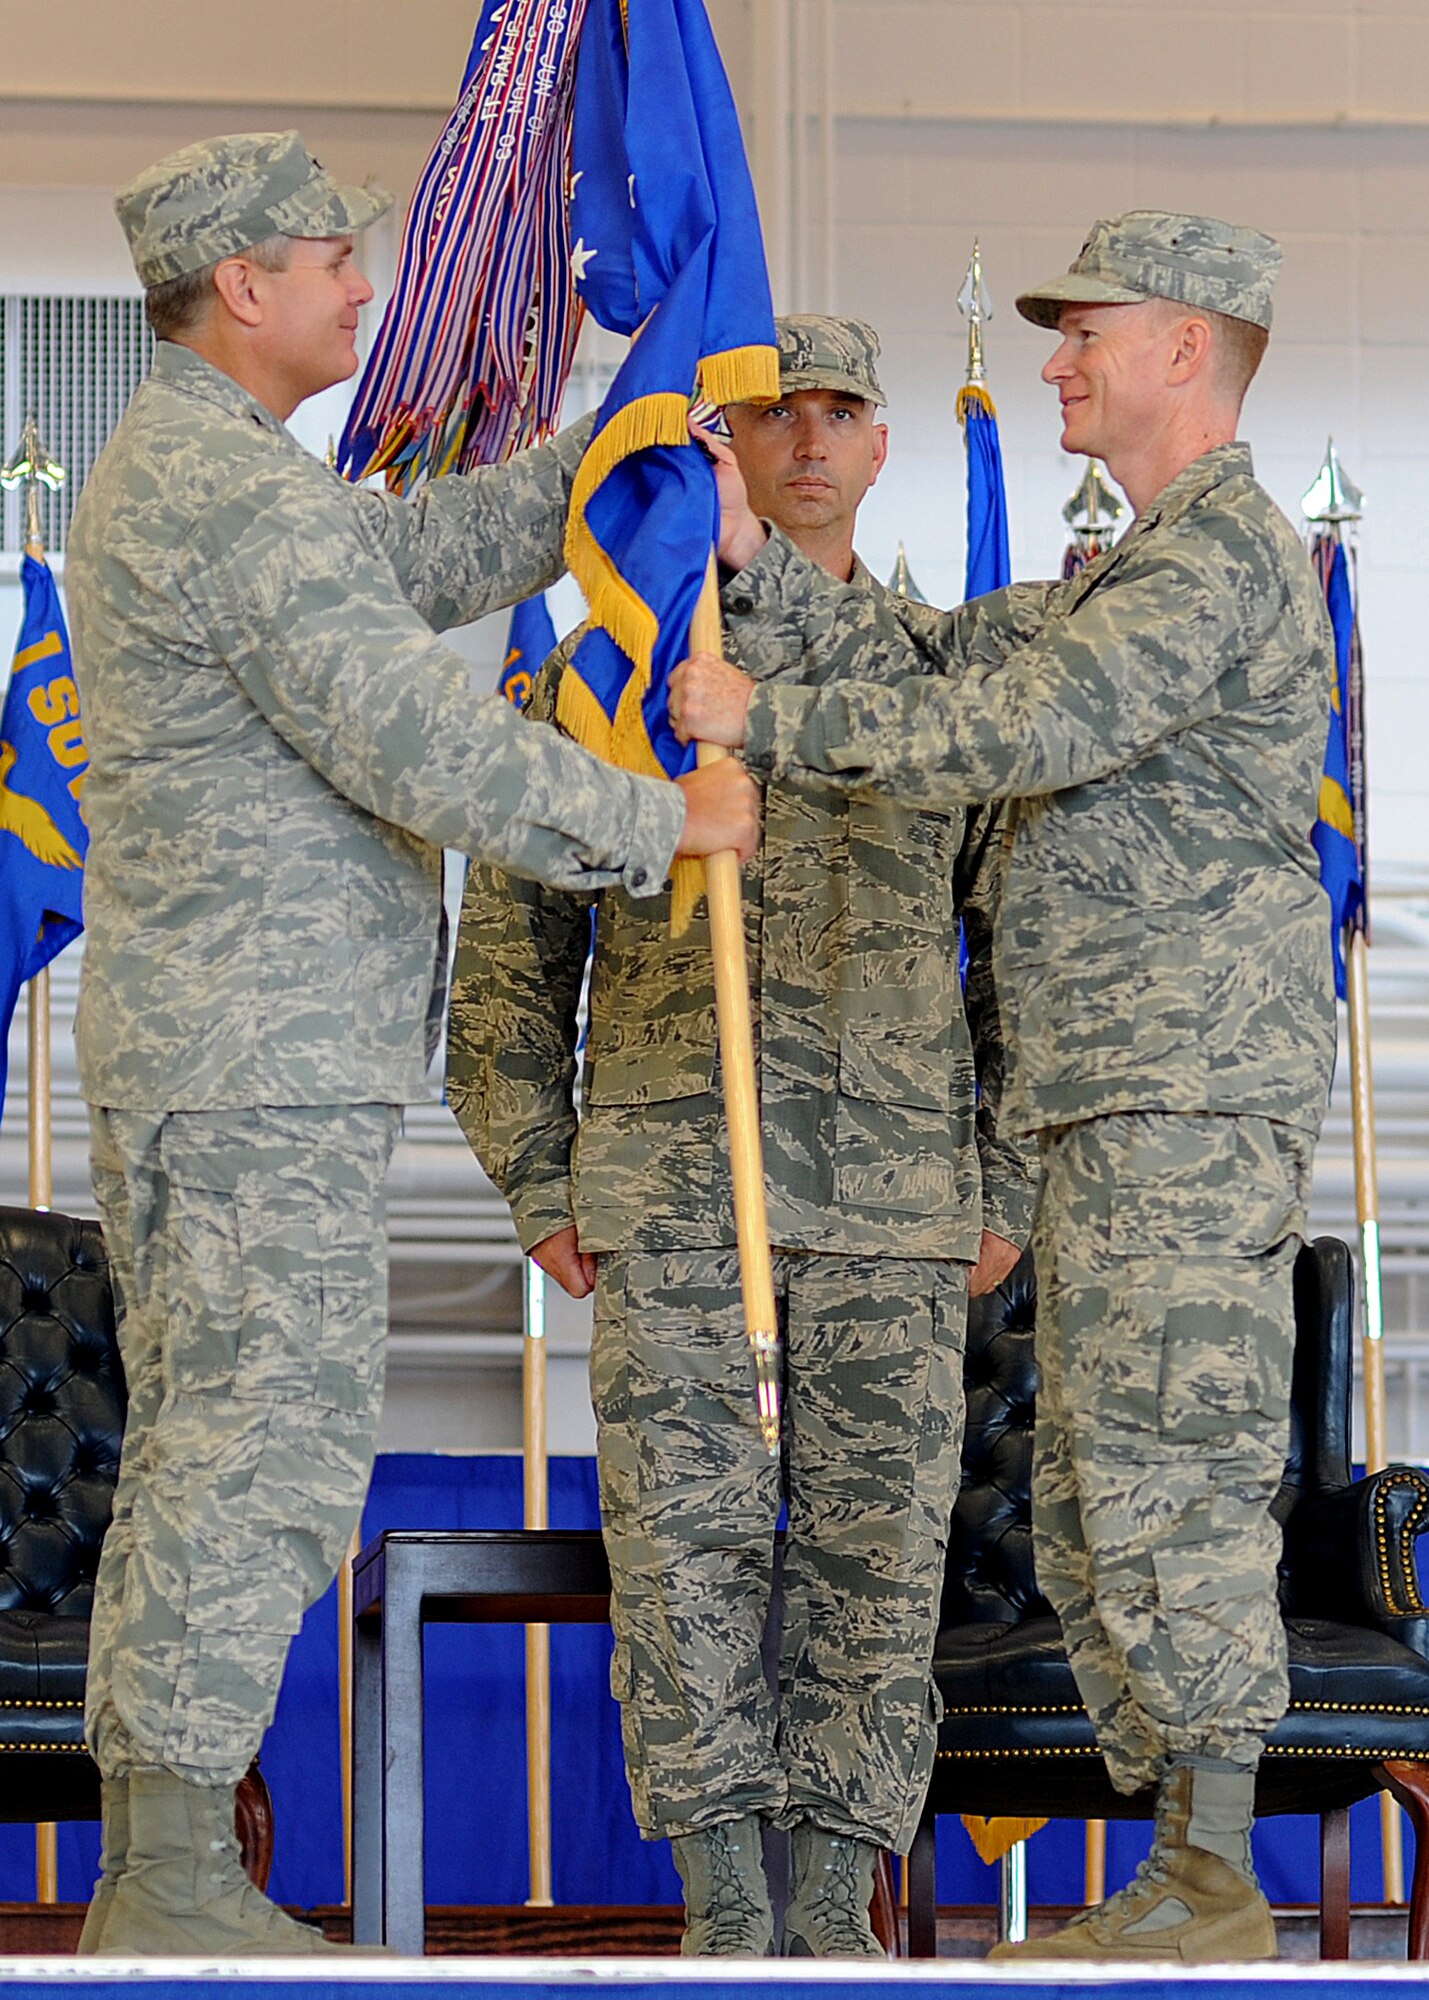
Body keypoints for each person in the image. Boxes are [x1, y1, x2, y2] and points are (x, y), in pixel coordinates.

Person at [63, 128, 758, 1960]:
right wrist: (656, 823)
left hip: (232, 1055)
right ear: (243, 287)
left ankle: (163, 1861)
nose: (363, 288)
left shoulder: (230, 481)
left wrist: (623, 425)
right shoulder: (222, 495)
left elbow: (424, 550)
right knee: (259, 1452)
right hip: (254, 1062)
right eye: (333, 259)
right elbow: (415, 743)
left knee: (220, 1443)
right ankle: (173, 1881)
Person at [669, 215, 1337, 1964]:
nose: (1052, 359)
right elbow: (945, 668)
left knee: (1165, 1483)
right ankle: (1179, 1877)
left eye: (1083, 332)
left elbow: (1020, 735)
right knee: (1096, 1491)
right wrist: (760, 570)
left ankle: (1209, 1884)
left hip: (1181, 1101)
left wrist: (764, 723)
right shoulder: (1131, 572)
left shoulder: (1222, 562)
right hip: (1100, 1107)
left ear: (1183, 347)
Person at [446, 315, 1035, 1958]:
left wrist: (1009, 1184)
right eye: (774, 416)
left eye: (842, 409)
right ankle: (720, 1908)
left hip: (898, 1210)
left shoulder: (949, 682)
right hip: (675, 1199)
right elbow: (507, 953)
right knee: (687, 1567)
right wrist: (537, 1176)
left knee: (869, 1574)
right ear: (727, 448)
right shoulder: (612, 681)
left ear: (882, 439)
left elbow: (1027, 952)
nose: (809, 441)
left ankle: (834, 1914)